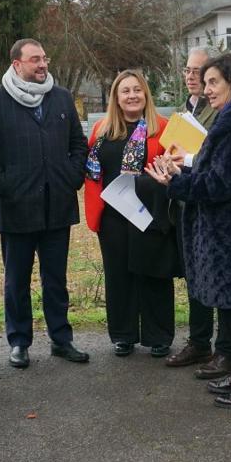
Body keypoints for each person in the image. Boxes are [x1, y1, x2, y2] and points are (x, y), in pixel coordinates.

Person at [147, 53, 231, 409]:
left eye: (213, 82)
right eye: (205, 82)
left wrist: (175, 184)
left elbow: (222, 185)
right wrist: (181, 176)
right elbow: (218, 177)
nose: (206, 89)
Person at [0, 39, 90, 368]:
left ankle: (61, 339)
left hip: (57, 206)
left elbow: (78, 144)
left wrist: (71, 178)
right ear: (16, 64)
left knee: (56, 279)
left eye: (44, 58)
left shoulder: (61, 97)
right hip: (16, 209)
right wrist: (6, 187)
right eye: (35, 59)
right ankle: (19, 341)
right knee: (16, 280)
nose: (42, 64)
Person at [84, 70, 177, 357]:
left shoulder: (163, 128)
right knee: (118, 276)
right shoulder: (102, 130)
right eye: (125, 91)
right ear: (116, 97)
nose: (132, 95)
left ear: (146, 94)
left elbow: (177, 166)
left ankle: (158, 335)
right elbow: (91, 172)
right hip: (113, 216)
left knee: (154, 275)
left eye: (137, 90)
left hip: (151, 214)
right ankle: (123, 335)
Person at [163, 46, 231, 374]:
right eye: (188, 70)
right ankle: (199, 341)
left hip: (215, 203)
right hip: (186, 202)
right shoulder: (183, 112)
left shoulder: (226, 109)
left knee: (218, 277)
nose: (192, 76)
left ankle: (225, 348)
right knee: (195, 275)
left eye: (199, 71)